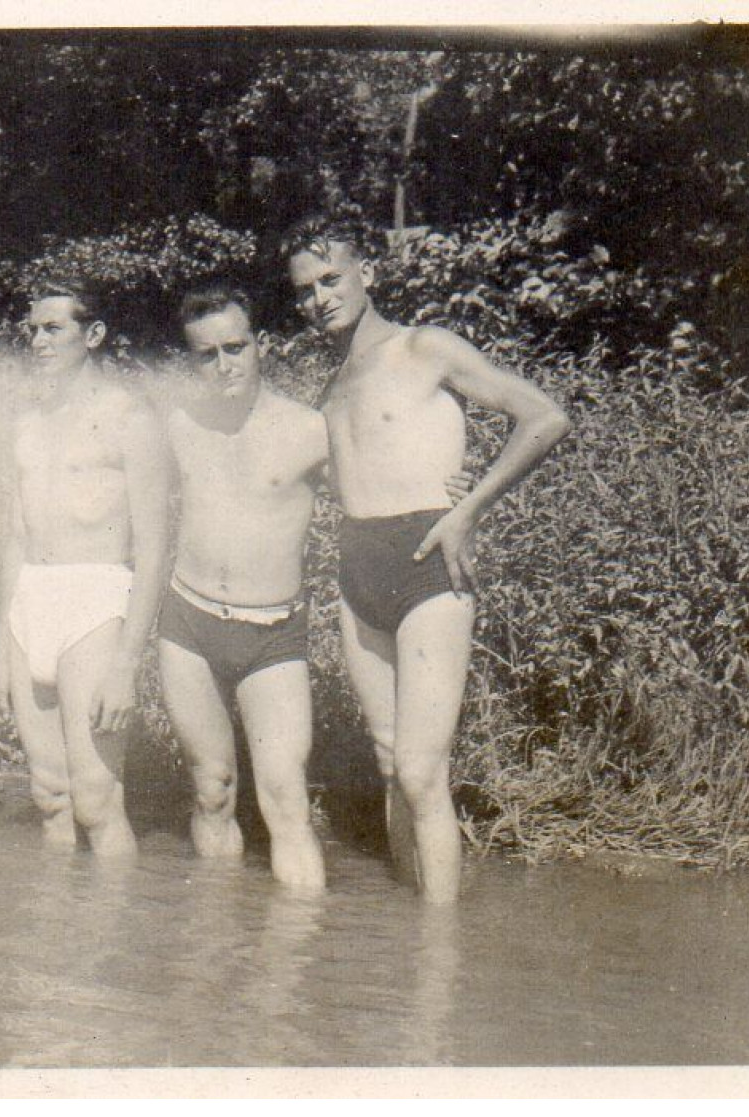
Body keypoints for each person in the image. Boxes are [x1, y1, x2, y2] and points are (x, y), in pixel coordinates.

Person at [283, 215, 572, 903]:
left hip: (426, 563)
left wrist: (466, 510)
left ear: (368, 275)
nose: (319, 297)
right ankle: (405, 941)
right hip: (357, 569)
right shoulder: (326, 390)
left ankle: (438, 949)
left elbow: (543, 417)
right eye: (304, 290)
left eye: (331, 279)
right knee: (389, 762)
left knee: (419, 769)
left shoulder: (424, 347)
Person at [0, 279, 169, 857]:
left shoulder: (129, 418)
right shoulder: (26, 424)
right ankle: (54, 942)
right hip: (30, 602)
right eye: (33, 330)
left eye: (53, 329)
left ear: (93, 335)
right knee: (50, 796)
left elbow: (156, 547)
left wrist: (127, 663)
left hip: (96, 597)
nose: (39, 341)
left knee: (95, 799)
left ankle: (109, 946)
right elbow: (18, 537)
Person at [159, 285, 328, 894]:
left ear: (261, 346)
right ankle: (213, 947)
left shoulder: (311, 429)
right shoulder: (179, 425)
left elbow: (378, 494)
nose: (225, 365)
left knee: (285, 797)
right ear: (192, 360)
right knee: (212, 787)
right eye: (208, 354)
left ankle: (293, 972)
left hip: (273, 633)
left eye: (237, 347)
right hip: (189, 625)